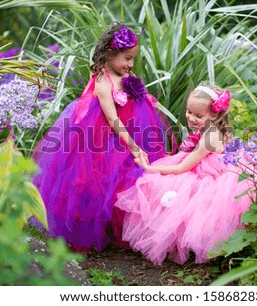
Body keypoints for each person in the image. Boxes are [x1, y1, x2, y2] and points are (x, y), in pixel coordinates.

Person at [32, 22, 175, 252]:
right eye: (127, 58)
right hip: (101, 138)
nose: (130, 64)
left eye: (132, 59)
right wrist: (133, 145)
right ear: (109, 54)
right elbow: (112, 120)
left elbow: (133, 99)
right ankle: (95, 230)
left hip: (131, 129)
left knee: (127, 179)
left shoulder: (125, 73)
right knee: (98, 181)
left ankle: (126, 227)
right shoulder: (102, 81)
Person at [115, 83, 257, 265]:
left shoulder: (210, 137)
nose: (191, 118)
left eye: (198, 115)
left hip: (211, 177)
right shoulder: (211, 129)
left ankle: (183, 243)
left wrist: (150, 169)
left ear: (214, 114)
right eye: (189, 112)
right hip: (205, 169)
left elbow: (182, 168)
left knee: (163, 185)